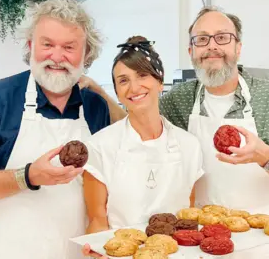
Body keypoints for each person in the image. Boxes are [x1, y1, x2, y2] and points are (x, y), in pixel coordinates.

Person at [81, 7, 269, 259]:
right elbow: (138, 117)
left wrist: (265, 156)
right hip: (197, 244)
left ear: (238, 47)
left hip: (259, 244)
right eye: (202, 39)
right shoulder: (180, 99)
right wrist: (102, 93)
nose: (212, 46)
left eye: (222, 37)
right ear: (191, 51)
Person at [0, 0, 110, 259]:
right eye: (47, 44)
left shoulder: (96, 108)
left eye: (69, 47)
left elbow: (102, 183)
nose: (56, 56)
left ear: (86, 54)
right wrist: (27, 176)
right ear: (31, 46)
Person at [80, 36, 204, 258]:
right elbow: (97, 219)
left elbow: (189, 217)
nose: (134, 87)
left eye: (142, 75)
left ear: (159, 80)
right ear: (117, 91)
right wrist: (97, 249)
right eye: (123, 80)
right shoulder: (99, 146)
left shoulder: (189, 146)